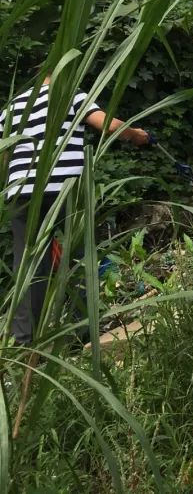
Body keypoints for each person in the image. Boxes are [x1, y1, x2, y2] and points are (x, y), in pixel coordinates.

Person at [1, 76, 150, 346]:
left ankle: (25, 341)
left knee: (28, 265)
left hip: (21, 193)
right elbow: (107, 125)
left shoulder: (12, 107)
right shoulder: (69, 95)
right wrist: (137, 135)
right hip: (64, 189)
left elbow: (4, 155)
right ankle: (80, 333)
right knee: (80, 257)